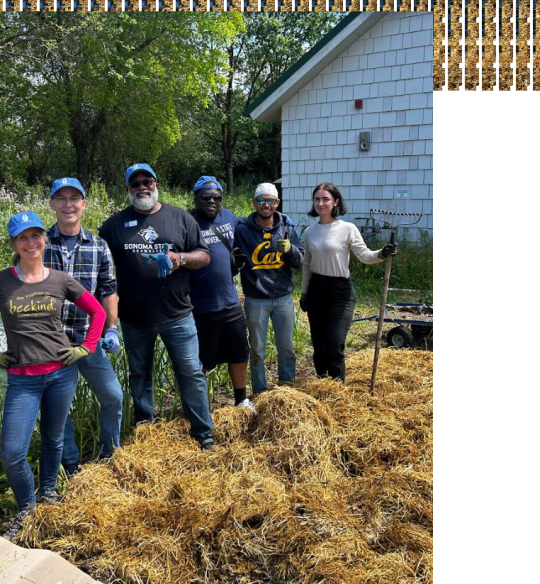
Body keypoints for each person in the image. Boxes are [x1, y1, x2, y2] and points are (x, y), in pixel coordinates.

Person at [0, 212, 106, 542]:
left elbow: (98, 311)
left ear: (44, 239)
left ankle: (48, 494)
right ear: (15, 244)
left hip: (61, 373)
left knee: (53, 438)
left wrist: (86, 348)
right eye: (23, 238)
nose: (31, 243)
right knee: (12, 452)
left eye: (36, 235)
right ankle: (27, 510)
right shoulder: (3, 280)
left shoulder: (60, 280)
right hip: (22, 379)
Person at [98, 164, 215, 450]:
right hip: (134, 317)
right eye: (135, 183)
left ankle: (204, 434)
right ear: (128, 189)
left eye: (146, 181)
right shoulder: (114, 226)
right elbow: (99, 264)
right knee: (139, 374)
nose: (142, 187)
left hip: (178, 314)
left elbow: (204, 256)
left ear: (156, 183)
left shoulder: (180, 217)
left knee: (190, 372)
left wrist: (179, 258)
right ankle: (145, 432)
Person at [45, 177, 123, 476]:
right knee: (58, 407)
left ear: (83, 204)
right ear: (52, 204)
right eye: (61, 198)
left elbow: (108, 289)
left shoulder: (99, 245)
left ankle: (109, 455)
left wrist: (111, 329)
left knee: (113, 397)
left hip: (88, 339)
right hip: (51, 342)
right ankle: (71, 464)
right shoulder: (40, 242)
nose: (68, 204)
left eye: (74, 198)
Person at [300, 183, 397, 382]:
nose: (321, 203)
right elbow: (307, 265)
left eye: (325, 199)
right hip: (316, 290)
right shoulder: (310, 232)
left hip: (339, 292)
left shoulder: (347, 229)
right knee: (319, 345)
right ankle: (322, 384)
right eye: (317, 199)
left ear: (335, 201)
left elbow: (364, 255)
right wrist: (304, 292)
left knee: (334, 343)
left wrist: (382, 253)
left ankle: (337, 389)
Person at [188, 176, 253, 411]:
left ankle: (241, 399)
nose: (211, 201)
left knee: (238, 353)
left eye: (216, 197)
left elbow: (253, 225)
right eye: (205, 197)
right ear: (195, 198)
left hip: (230, 302)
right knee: (202, 360)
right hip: (200, 306)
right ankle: (199, 405)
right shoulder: (186, 221)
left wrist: (279, 220)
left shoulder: (229, 218)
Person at [233, 183, 304, 395]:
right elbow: (233, 258)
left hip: (283, 297)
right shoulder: (243, 230)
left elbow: (300, 262)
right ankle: (260, 392)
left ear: (277, 203)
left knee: (286, 348)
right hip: (256, 298)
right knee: (257, 350)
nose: (266, 205)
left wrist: (290, 250)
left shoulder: (287, 228)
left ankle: (287, 389)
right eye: (261, 200)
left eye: (270, 201)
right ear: (254, 202)